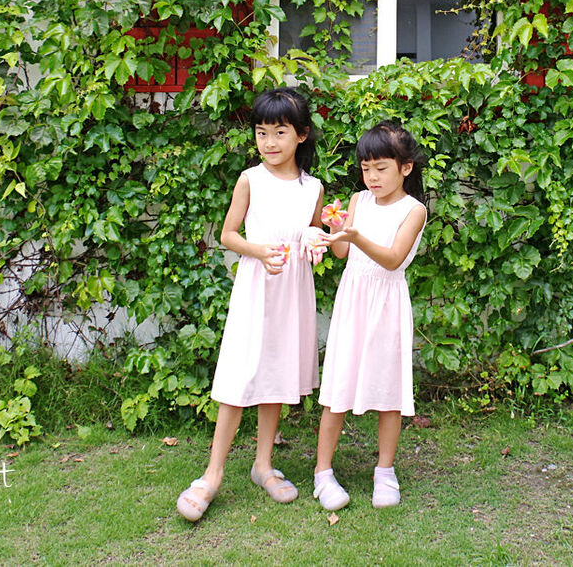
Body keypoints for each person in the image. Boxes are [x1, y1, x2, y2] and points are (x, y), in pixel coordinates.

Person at [176, 87, 327, 522]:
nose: (269, 142)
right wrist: (259, 251)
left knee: (277, 373)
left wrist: (316, 243)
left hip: (292, 291)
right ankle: (211, 475)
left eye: (280, 132)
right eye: (262, 132)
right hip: (257, 287)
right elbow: (228, 235)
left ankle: (263, 466)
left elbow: (311, 233)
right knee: (240, 377)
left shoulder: (312, 187)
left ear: (301, 135)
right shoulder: (250, 178)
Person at [312, 121, 428, 511]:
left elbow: (394, 260)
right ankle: (322, 473)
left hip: (388, 305)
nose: (372, 177)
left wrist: (356, 235)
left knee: (389, 391)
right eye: (366, 168)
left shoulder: (415, 210)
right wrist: (336, 230)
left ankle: (385, 471)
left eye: (381, 168)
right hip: (353, 300)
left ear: (405, 168)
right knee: (337, 389)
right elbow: (343, 255)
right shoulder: (358, 201)